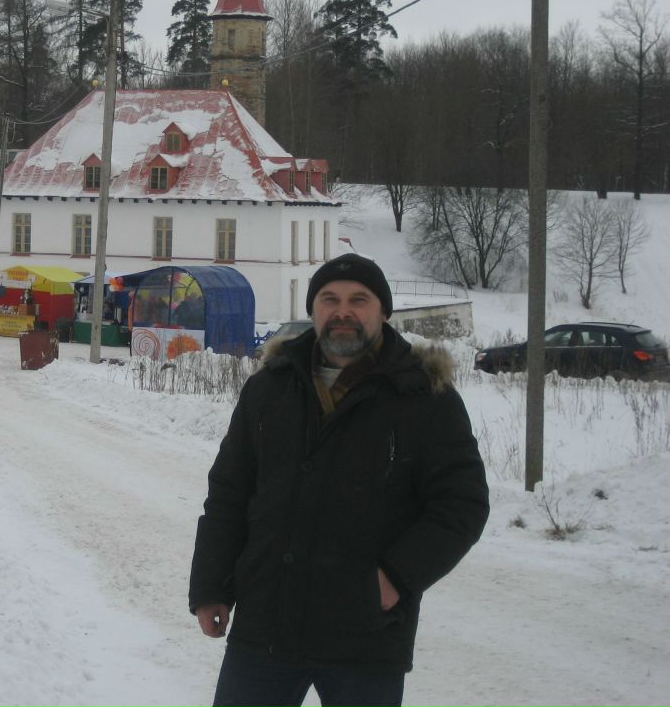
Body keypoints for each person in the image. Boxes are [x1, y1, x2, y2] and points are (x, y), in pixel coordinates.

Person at [189, 254, 489, 707]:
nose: (342, 311)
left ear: (383, 312)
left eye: (358, 300)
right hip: (265, 626)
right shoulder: (271, 387)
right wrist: (212, 586)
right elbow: (230, 493)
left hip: (365, 634)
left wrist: (395, 578)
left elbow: (461, 505)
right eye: (329, 299)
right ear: (314, 310)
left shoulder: (423, 397)